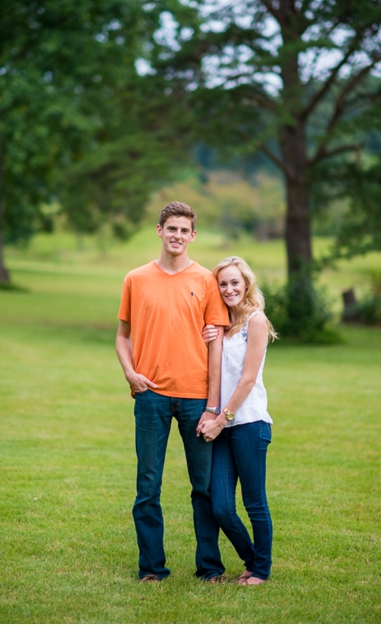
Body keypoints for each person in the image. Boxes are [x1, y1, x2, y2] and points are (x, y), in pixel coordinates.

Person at [116, 201, 229, 583]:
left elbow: (217, 345)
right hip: (150, 397)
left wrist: (214, 405)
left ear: (193, 236)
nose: (177, 236)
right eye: (171, 229)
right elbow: (122, 336)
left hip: (197, 398)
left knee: (205, 488)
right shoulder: (136, 278)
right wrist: (130, 373)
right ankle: (151, 568)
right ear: (159, 231)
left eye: (184, 230)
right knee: (147, 486)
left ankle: (210, 568)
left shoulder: (206, 281)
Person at [200, 256, 278, 585]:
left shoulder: (255, 321)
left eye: (235, 282)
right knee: (220, 506)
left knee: (254, 501)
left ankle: (260, 570)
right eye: (222, 283)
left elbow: (247, 380)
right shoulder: (217, 327)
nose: (229, 288)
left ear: (246, 284)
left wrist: (221, 418)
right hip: (222, 427)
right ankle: (252, 559)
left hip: (248, 423)